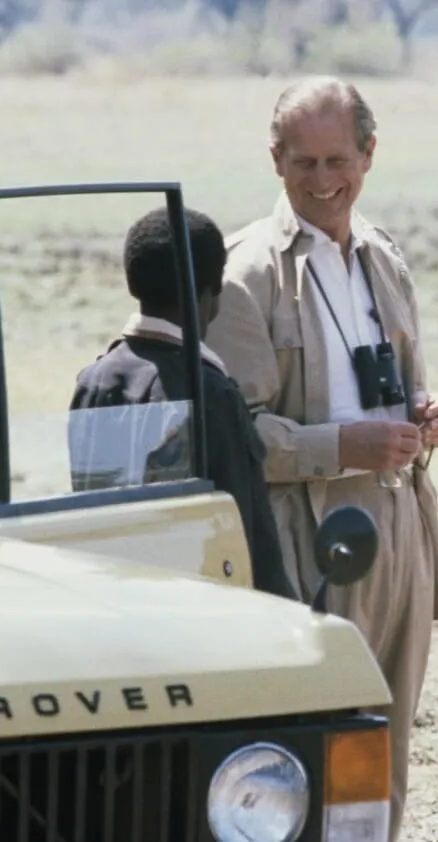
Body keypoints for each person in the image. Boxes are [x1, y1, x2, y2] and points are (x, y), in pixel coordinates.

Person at [208, 75, 438, 842]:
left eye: (338, 160)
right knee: (317, 745)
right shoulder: (245, 272)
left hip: (399, 520)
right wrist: (338, 447)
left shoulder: (383, 255)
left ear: (370, 154)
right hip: (310, 539)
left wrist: (430, 414)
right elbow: (232, 438)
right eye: (303, 163)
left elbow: (403, 383)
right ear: (275, 161)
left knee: (387, 743)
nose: (323, 182)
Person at [68, 206, 298, 602]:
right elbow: (245, 535)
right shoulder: (210, 393)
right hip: (197, 611)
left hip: (113, 603)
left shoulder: (93, 381)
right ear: (215, 291)